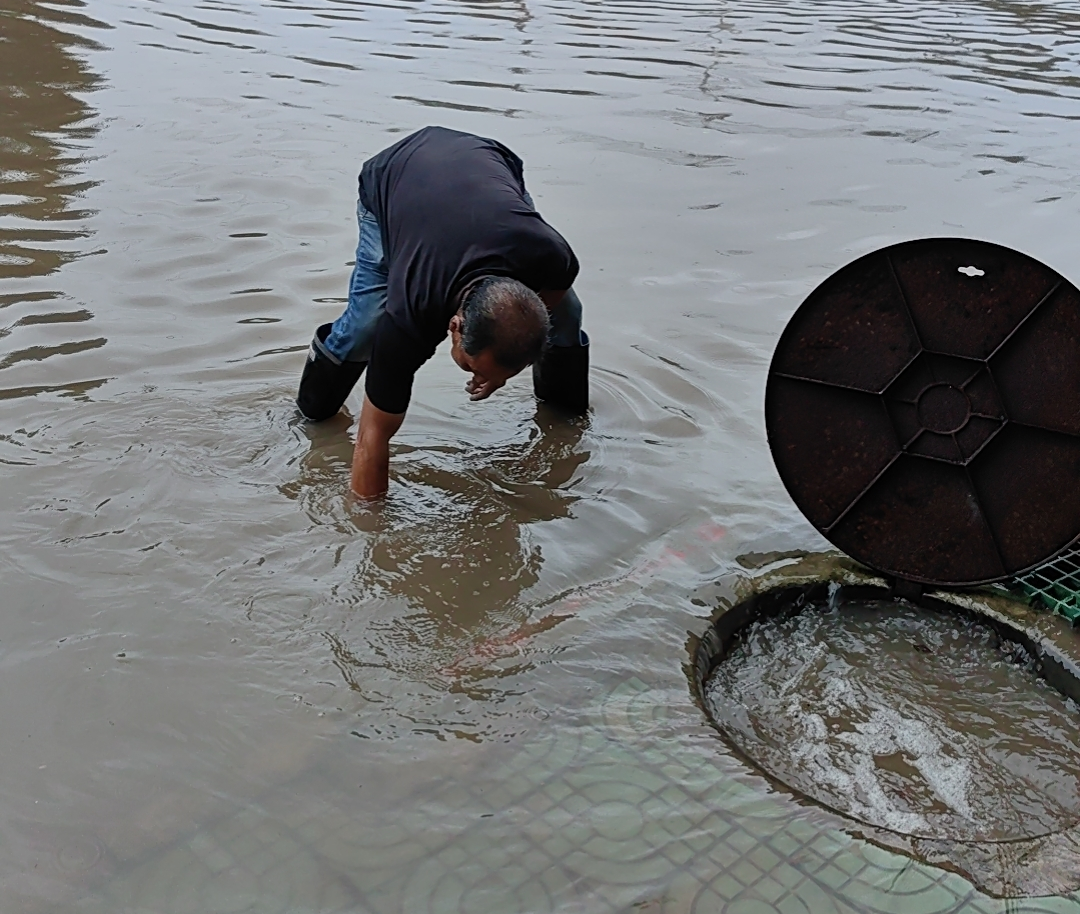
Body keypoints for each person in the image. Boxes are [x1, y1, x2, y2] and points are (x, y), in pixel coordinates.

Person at [296, 126, 589, 499]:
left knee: (567, 313)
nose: (477, 377)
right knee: (365, 326)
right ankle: (311, 414)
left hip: (487, 161)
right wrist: (371, 530)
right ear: (454, 327)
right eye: (472, 367)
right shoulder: (409, 317)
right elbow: (373, 437)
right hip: (394, 176)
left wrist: (497, 370)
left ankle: (564, 418)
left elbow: (532, 315)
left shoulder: (553, 257)